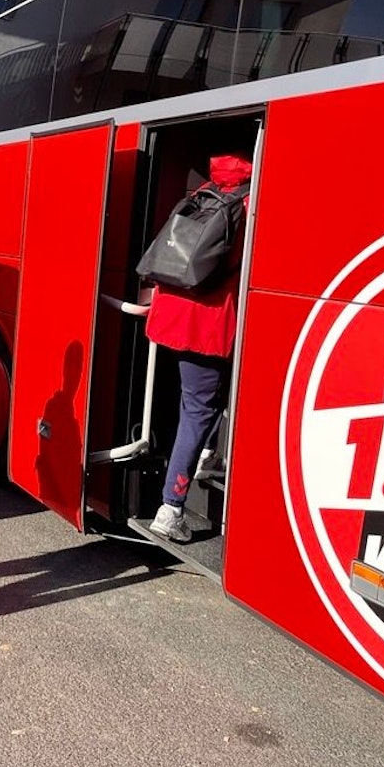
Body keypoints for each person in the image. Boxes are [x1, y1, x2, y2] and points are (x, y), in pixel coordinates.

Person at [147, 155, 252, 543]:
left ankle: (207, 453)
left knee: (197, 401)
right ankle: (171, 507)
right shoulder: (248, 205)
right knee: (198, 408)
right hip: (210, 324)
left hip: (174, 313)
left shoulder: (204, 194)